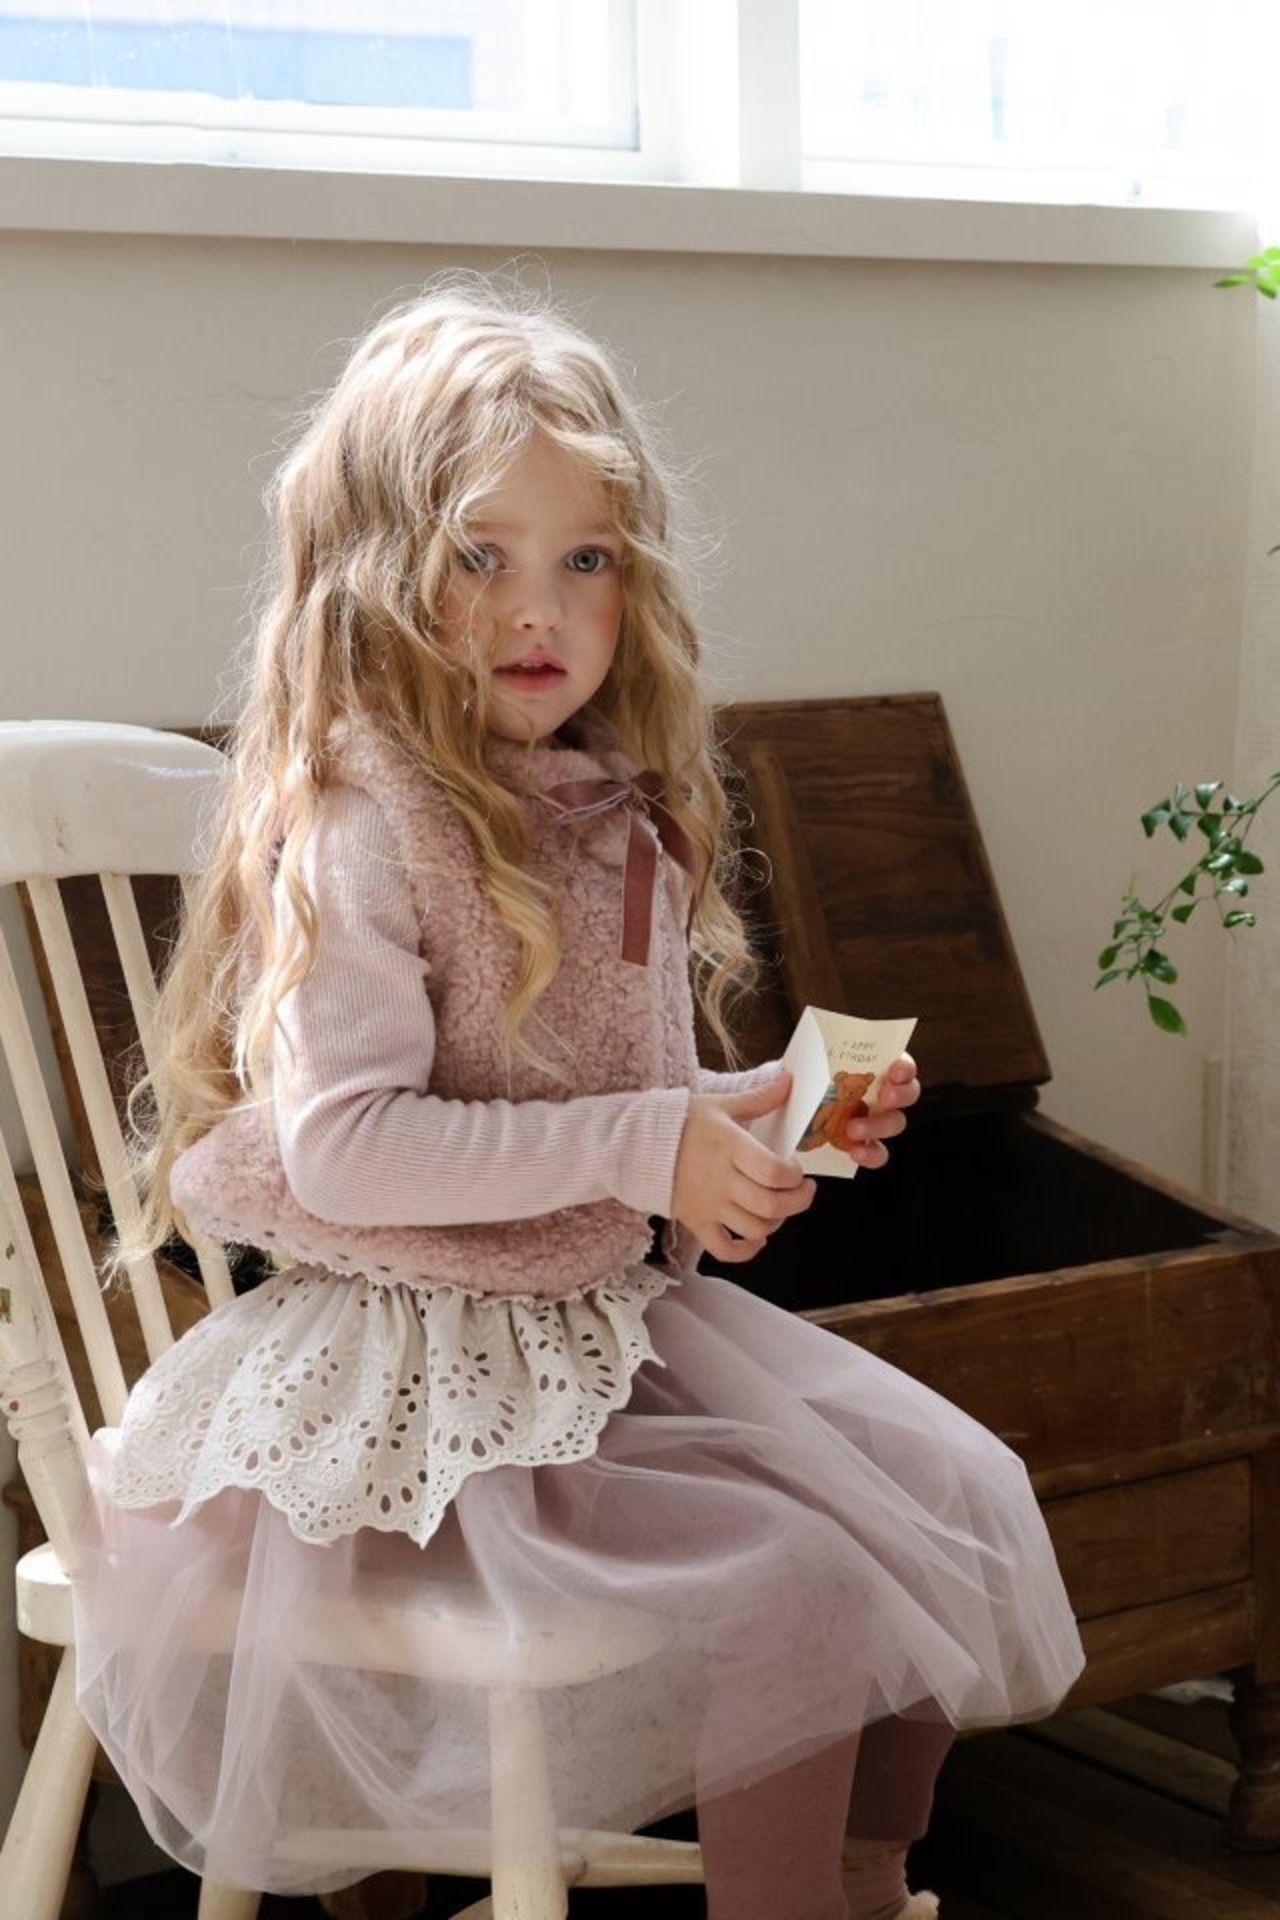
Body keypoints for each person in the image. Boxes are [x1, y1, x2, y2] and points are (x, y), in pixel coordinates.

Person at [72, 281, 1084, 1920]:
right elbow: (349, 1144)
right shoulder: (361, 826)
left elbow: (618, 1099)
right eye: (480, 556)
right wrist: (648, 1147)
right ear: (375, 575)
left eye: (588, 560)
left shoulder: (607, 812)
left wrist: (755, 1111)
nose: (538, 607)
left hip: (586, 1331)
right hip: (413, 1383)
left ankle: (861, 1874)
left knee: (945, 1488)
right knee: (796, 1583)